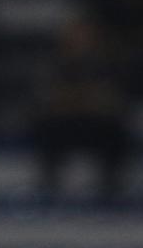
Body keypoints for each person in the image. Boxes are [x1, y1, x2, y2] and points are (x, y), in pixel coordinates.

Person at [30, 16, 133, 202]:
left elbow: (111, 100)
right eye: (75, 35)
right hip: (64, 123)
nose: (79, 40)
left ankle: (111, 186)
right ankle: (49, 184)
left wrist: (78, 98)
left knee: (116, 130)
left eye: (84, 35)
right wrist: (83, 98)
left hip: (96, 124)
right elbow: (50, 99)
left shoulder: (107, 65)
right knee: (46, 127)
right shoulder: (53, 64)